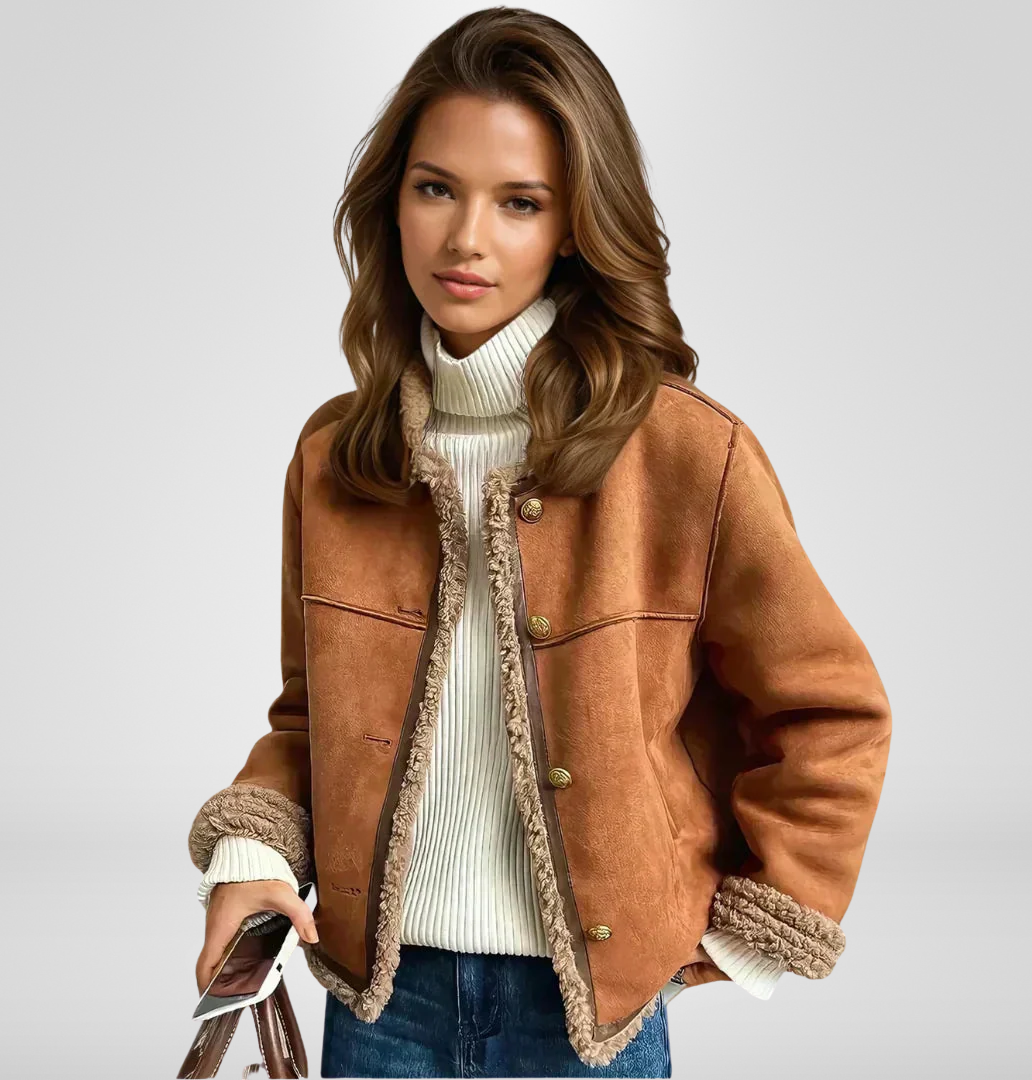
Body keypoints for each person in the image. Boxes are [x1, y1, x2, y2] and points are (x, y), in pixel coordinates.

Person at [186, 7, 892, 1078]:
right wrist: (251, 852)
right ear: (393, 202)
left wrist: (745, 932)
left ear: (572, 225)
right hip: (381, 1004)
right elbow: (309, 714)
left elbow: (830, 710)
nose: (466, 239)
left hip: (585, 1024)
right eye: (436, 189)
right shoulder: (338, 456)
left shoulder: (686, 453)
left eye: (519, 202)